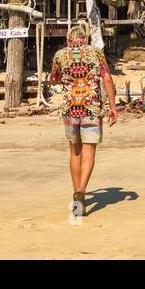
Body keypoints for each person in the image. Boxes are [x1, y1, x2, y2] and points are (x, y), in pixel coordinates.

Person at [48, 25, 118, 216]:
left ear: (68, 41)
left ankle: (77, 192)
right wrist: (112, 106)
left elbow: (53, 79)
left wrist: (65, 78)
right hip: (91, 108)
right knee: (89, 152)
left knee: (74, 152)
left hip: (70, 109)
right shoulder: (96, 53)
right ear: (85, 39)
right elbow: (108, 79)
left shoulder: (61, 55)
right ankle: (81, 191)